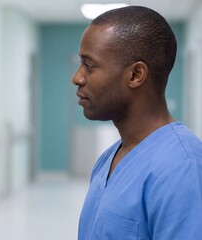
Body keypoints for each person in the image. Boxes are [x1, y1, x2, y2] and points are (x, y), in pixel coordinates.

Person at [72, 6, 202, 240]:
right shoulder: (109, 159)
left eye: (89, 65)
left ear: (135, 75)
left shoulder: (182, 168)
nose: (77, 78)